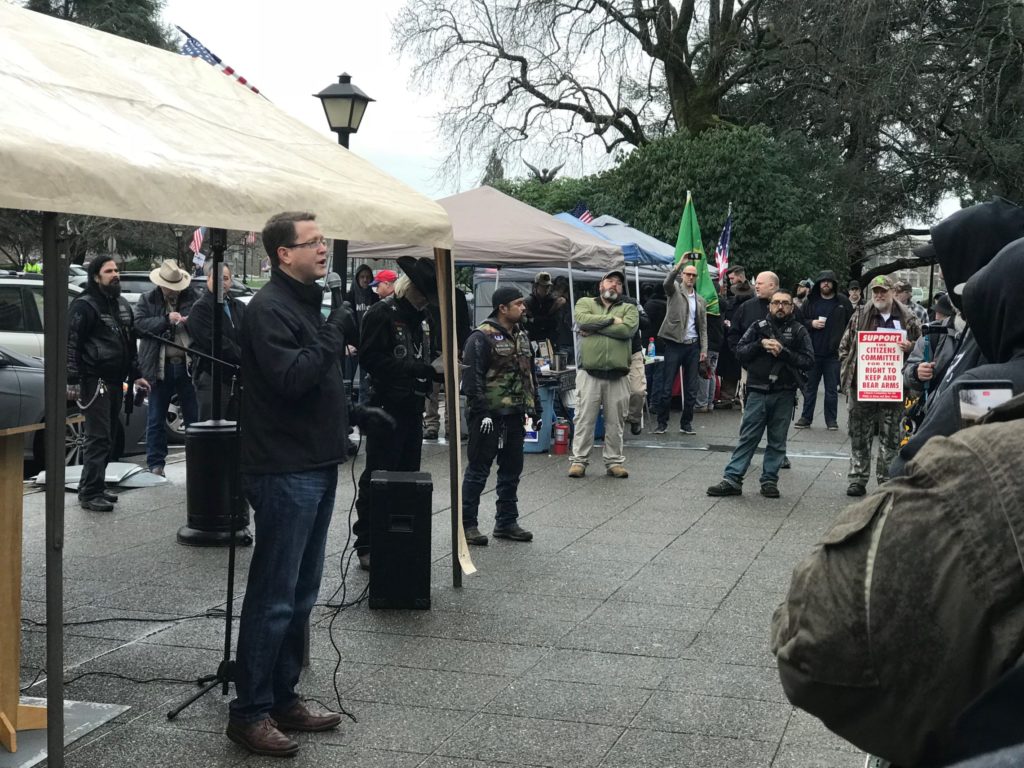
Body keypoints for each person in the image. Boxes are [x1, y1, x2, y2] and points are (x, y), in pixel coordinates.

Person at [229, 211, 388, 756]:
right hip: (282, 469)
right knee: (274, 597)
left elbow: (312, 380)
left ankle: (282, 696)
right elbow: (293, 378)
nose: (324, 249)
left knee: (300, 595)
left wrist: (355, 411)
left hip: (316, 462)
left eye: (324, 241)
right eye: (312, 242)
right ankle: (248, 711)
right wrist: (335, 331)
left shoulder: (305, 302)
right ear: (283, 254)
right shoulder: (268, 309)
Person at [890, 197, 1024, 477]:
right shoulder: (976, 331)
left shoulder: (990, 371)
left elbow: (918, 469)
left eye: (944, 261)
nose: (940, 273)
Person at [353, 256, 440, 570]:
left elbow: (425, 354)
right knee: (378, 475)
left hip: (413, 405)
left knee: (406, 476)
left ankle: (398, 536)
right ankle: (367, 541)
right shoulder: (382, 312)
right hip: (386, 405)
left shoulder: (422, 317)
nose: (424, 301)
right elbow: (371, 358)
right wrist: (417, 368)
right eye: (422, 294)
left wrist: (436, 370)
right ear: (410, 288)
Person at [706, 289, 812, 498]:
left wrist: (784, 352)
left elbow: (809, 361)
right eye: (776, 303)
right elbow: (739, 351)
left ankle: (769, 481)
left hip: (784, 392)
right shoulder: (757, 327)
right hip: (757, 390)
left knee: (777, 440)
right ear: (769, 306)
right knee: (748, 438)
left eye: (785, 303)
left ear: (792, 307)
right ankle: (732, 479)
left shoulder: (799, 331)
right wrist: (760, 344)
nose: (780, 307)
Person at [66, 255, 149, 512]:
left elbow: (129, 345)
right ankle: (90, 492)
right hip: (94, 380)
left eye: (116, 270)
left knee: (109, 437)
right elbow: (71, 345)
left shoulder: (122, 304)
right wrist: (72, 381)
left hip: (115, 381)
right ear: (96, 276)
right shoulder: (84, 306)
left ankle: (96, 486)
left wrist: (136, 375)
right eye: (109, 271)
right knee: (98, 438)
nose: (115, 274)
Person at [460, 286, 538, 545]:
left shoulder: (522, 336)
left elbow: (529, 374)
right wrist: (481, 412)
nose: (523, 307)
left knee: (512, 470)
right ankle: (467, 525)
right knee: (478, 470)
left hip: (515, 414)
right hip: (488, 416)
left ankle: (506, 522)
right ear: (502, 308)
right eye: (518, 303)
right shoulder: (481, 337)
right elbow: (472, 379)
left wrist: (532, 408)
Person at [838, 275, 920, 496]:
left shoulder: (909, 318)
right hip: (862, 387)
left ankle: (886, 479)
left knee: (891, 436)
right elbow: (844, 347)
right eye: (875, 292)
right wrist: (850, 370)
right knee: (859, 435)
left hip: (894, 388)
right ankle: (857, 478)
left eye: (883, 291)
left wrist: (910, 347)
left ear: (893, 292)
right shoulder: (860, 315)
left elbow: (923, 348)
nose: (879, 295)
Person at [567, 270, 639, 478]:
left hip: (618, 374)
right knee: (584, 419)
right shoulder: (585, 302)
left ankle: (614, 461)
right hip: (589, 373)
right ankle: (579, 461)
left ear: (622, 288)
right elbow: (581, 320)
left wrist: (596, 326)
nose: (613, 285)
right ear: (601, 285)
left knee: (616, 421)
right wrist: (611, 320)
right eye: (610, 281)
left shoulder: (629, 307)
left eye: (618, 283)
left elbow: (627, 331)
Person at [134, 259, 200, 476]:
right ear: (161, 284)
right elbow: (139, 326)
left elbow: (204, 322)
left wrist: (190, 322)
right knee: (156, 417)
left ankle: (196, 462)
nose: (173, 291)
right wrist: (165, 320)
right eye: (170, 287)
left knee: (193, 417)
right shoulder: (147, 299)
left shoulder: (192, 298)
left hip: (187, 364)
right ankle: (156, 464)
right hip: (159, 365)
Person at [794, 270, 853, 430]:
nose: (826, 283)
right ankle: (806, 418)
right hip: (812, 352)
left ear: (834, 283)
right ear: (819, 283)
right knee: (809, 387)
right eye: (823, 281)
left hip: (834, 354)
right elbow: (799, 322)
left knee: (831, 390)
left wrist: (847, 347)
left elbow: (852, 324)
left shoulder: (842, 301)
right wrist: (811, 323)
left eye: (829, 281)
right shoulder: (810, 301)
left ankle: (831, 420)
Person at [653, 261, 707, 435]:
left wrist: (704, 349)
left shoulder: (700, 300)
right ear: (682, 275)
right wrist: (678, 266)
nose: (691, 277)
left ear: (696, 278)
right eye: (688, 274)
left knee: (692, 388)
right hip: (675, 344)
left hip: (692, 346)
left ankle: (686, 423)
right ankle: (662, 423)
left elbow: (703, 327)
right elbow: (666, 283)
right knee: (667, 386)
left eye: (693, 275)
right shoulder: (675, 290)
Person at [188, 262, 245, 421]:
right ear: (208, 279)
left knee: (235, 433)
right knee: (212, 432)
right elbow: (214, 342)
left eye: (226, 278)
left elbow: (249, 334)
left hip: (237, 378)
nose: (222, 282)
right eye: (217, 278)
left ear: (231, 282)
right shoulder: (200, 309)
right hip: (212, 378)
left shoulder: (238, 307)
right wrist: (244, 356)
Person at [423, 287, 470, 440]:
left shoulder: (456, 295)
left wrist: (462, 347)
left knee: (451, 391)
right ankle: (433, 425)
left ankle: (450, 426)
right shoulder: (429, 294)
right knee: (433, 391)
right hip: (434, 348)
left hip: (453, 348)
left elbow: (464, 323)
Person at [903, 292, 957, 399]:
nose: (936, 317)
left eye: (942, 313)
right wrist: (916, 373)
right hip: (934, 407)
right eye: (936, 312)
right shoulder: (931, 334)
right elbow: (906, 373)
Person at [345, 263, 379, 403]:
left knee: (366, 381)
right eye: (362, 277)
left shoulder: (375, 298)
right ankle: (347, 410)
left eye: (368, 277)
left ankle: (363, 410)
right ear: (357, 279)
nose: (365, 280)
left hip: (369, 345)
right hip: (352, 344)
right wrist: (346, 343)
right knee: (348, 380)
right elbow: (345, 322)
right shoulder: (349, 297)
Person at [695, 268, 725, 414]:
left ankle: (701, 403)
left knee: (704, 372)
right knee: (711, 373)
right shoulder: (722, 304)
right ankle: (709, 402)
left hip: (709, 343)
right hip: (717, 342)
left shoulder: (709, 304)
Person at [523, 271, 565, 349]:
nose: (546, 289)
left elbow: (556, 322)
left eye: (548, 286)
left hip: (550, 340)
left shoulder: (555, 301)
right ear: (536, 286)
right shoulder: (528, 302)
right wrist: (544, 320)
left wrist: (535, 320)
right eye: (543, 286)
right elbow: (526, 323)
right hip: (533, 340)